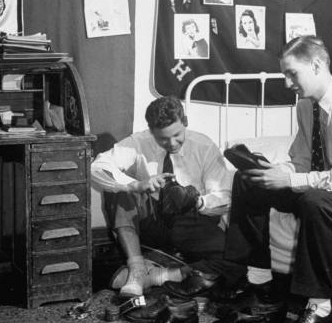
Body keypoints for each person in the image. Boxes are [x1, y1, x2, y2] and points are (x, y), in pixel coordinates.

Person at [200, 35, 332, 323]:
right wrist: (276, 172)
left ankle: (321, 309)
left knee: (316, 203)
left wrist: (291, 181)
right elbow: (301, 160)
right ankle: (263, 289)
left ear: (316, 65)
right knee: (248, 182)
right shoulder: (305, 106)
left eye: (291, 73)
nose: (287, 83)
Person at [91, 95, 244, 298]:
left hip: (188, 221)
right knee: (121, 190)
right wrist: (136, 184)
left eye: (177, 135)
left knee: (235, 260)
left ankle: (158, 276)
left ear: (185, 123)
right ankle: (137, 268)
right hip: (149, 221)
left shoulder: (204, 146)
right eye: (162, 138)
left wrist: (197, 201)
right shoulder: (138, 142)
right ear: (151, 130)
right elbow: (97, 168)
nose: (172, 143)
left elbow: (224, 196)